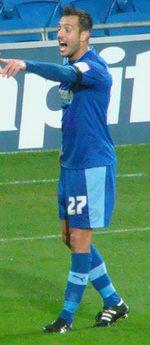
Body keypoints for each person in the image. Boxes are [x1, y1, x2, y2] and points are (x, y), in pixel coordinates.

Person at [0, 6, 129, 334]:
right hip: (70, 164)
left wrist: (27, 64)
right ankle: (114, 302)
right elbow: (72, 110)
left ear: (84, 35)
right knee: (69, 238)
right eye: (59, 28)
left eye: (67, 29)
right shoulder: (69, 63)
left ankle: (66, 318)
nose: (60, 34)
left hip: (92, 165)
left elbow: (70, 77)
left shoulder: (94, 68)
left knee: (80, 236)